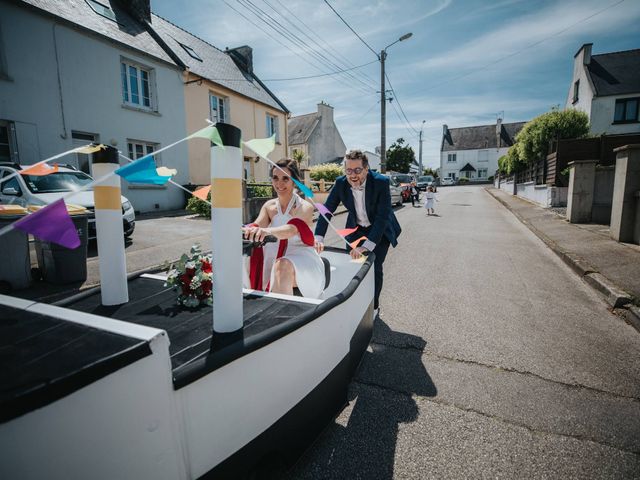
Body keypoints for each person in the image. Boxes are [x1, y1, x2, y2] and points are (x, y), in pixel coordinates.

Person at [314, 149, 401, 316]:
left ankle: (373, 307)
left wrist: (367, 246)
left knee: (373, 267)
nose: (353, 175)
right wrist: (318, 237)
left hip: (380, 230)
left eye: (357, 170)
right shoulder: (340, 183)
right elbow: (326, 211)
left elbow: (383, 216)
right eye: (349, 170)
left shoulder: (381, 182)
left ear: (367, 169)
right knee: (353, 267)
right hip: (356, 229)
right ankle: (355, 303)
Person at [243, 159, 325, 298]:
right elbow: (257, 225)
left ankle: (280, 316)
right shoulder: (269, 206)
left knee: (282, 266)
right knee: (240, 261)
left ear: (294, 182)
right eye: (275, 178)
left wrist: (266, 231)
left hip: (300, 256)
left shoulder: (305, 207)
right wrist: (247, 229)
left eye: (285, 178)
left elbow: (291, 229)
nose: (279, 183)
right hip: (272, 254)